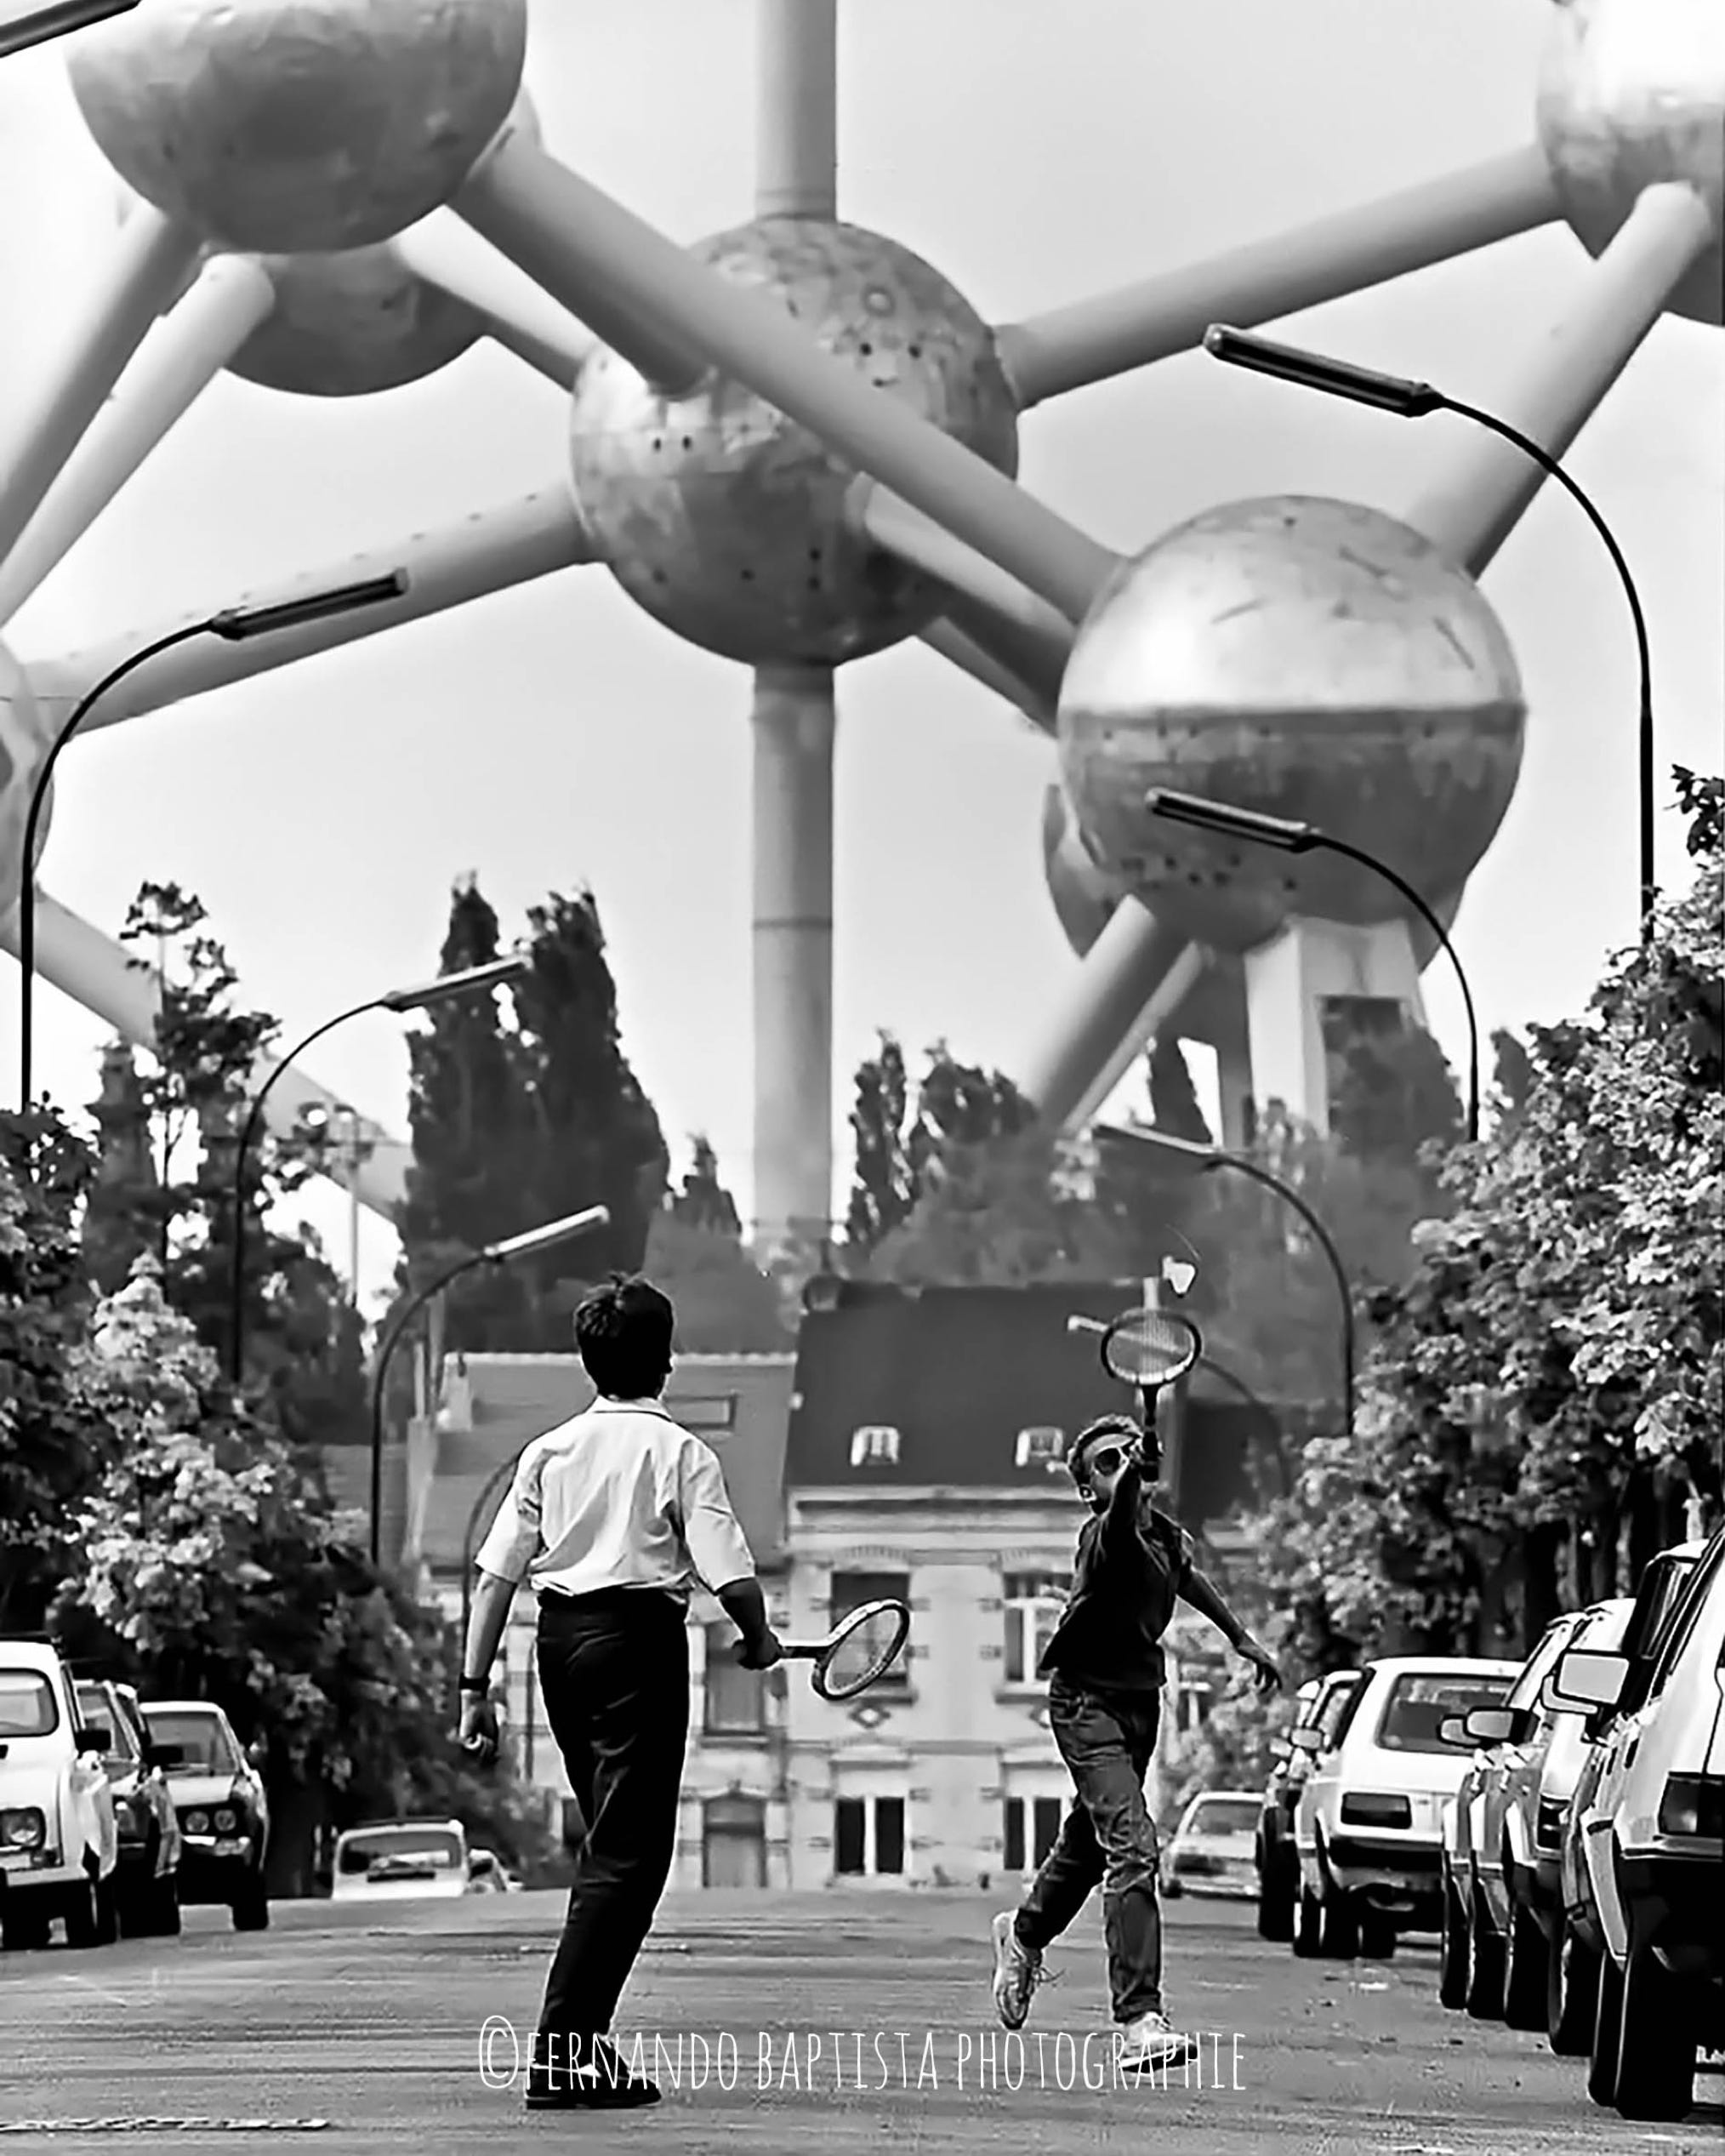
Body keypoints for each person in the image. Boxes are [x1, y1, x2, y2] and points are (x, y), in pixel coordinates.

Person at [457, 1273, 783, 2111]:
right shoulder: (681, 1452)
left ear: (587, 1358)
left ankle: (584, 2043)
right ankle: (563, 2050)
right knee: (629, 1853)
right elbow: (732, 1574)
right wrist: (756, 1636)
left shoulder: (547, 1451)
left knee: (613, 1836)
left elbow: (494, 1579)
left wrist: (473, 1687)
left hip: (559, 1647)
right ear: (667, 1359)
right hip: (639, 1644)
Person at [989, 1408, 1282, 2072]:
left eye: (1129, 1454)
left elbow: (1185, 1575)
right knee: (1132, 1844)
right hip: (1084, 1700)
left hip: (1138, 1703)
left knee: (1090, 1847)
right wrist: (1131, 1475)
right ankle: (1140, 2019)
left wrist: (1239, 1637)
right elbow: (1124, 1514)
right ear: (1089, 1489)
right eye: (1106, 1462)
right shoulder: (1104, 1534)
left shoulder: (1164, 1534)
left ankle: (1024, 1933)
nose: (1122, 1467)